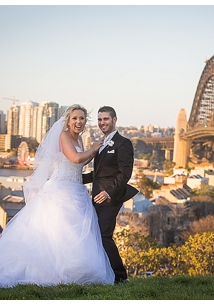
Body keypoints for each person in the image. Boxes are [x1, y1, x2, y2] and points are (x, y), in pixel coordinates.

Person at [0, 105, 115, 288]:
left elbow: (80, 162)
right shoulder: (64, 136)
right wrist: (94, 148)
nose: (78, 122)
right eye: (75, 118)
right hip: (60, 191)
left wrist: (92, 152)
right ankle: (54, 272)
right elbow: (75, 158)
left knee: (73, 235)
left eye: (82, 118)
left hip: (76, 189)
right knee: (59, 232)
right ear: (68, 120)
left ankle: (76, 272)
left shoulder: (80, 139)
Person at [83, 106, 139, 284]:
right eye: (100, 120)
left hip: (110, 198)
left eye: (106, 119)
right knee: (96, 234)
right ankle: (103, 273)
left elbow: (125, 173)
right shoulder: (101, 143)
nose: (102, 123)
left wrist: (109, 192)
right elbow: (99, 174)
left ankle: (120, 277)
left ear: (114, 120)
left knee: (103, 234)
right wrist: (75, 179)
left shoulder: (123, 143)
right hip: (97, 197)